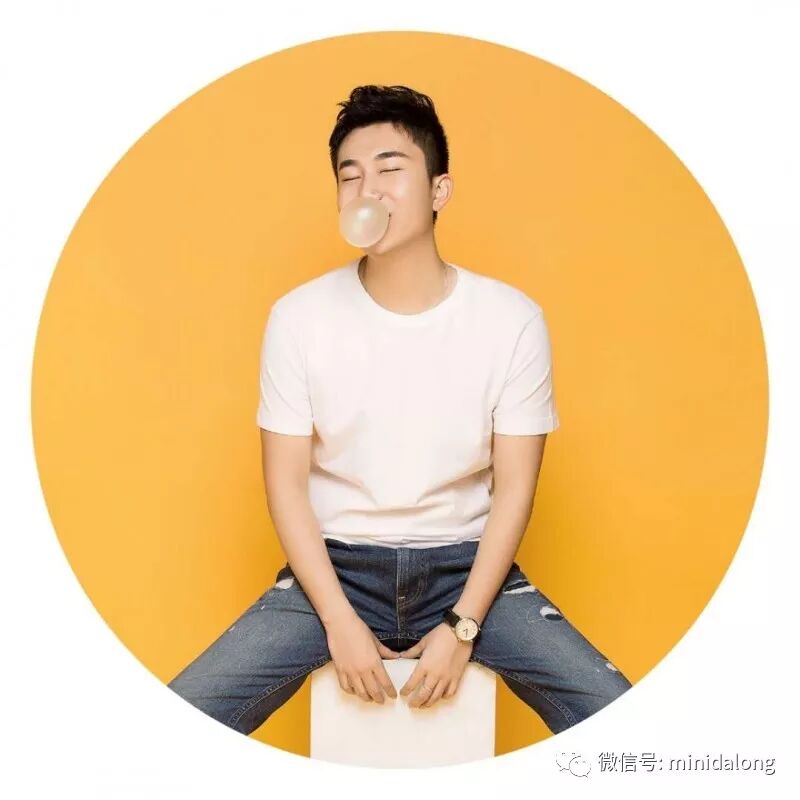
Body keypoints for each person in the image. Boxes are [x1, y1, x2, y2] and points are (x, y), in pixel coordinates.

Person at [167, 84, 632, 738]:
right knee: (178, 719)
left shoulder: (512, 320)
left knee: (619, 714)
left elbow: (515, 489)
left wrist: (463, 625)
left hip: (468, 571)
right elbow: (285, 484)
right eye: (349, 176)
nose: (368, 191)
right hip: (335, 572)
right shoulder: (299, 318)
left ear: (439, 190)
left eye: (390, 169)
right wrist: (338, 621)